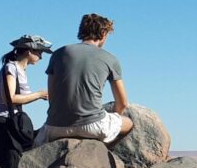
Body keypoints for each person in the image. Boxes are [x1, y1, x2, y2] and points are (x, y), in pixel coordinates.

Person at [35, 13, 134, 146]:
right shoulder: (110, 58)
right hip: (93, 126)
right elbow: (122, 103)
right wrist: (115, 116)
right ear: (104, 34)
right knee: (129, 123)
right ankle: (103, 151)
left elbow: (52, 96)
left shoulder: (58, 54)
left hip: (54, 127)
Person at [0, 35, 52, 168]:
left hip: (9, 124)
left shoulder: (20, 70)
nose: (41, 56)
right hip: (0, 124)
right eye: (39, 52)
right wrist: (38, 94)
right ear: (28, 51)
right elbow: (10, 98)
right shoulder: (11, 67)